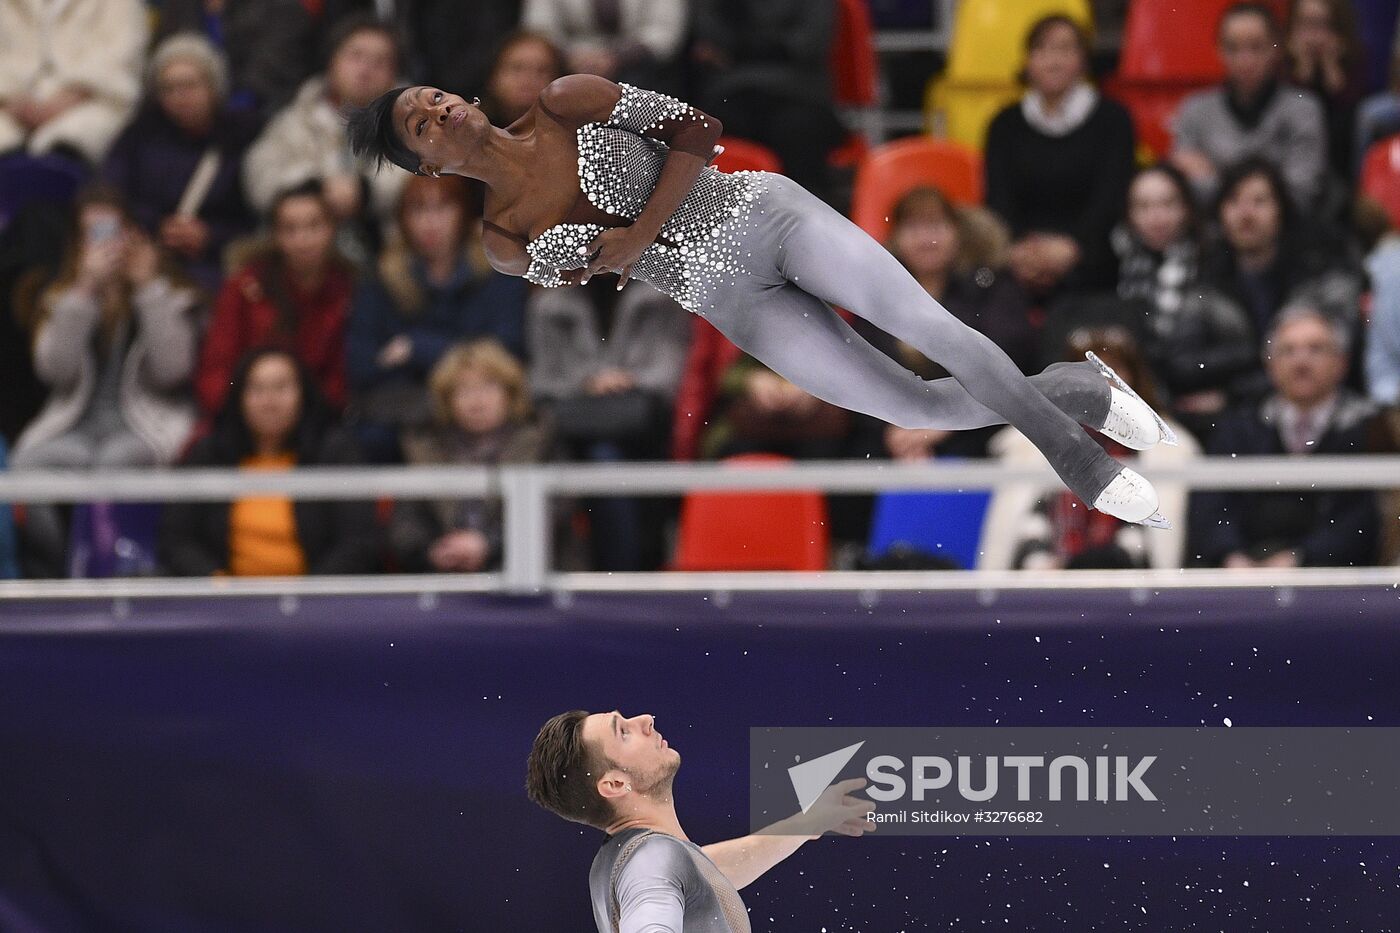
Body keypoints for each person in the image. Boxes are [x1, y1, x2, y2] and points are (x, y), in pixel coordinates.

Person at [348, 74, 1180, 526]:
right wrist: (634, 252)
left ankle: (1079, 461)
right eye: (422, 125)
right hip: (723, 297)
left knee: (931, 326)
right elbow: (601, 276)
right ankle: (1073, 388)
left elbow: (700, 131)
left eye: (434, 96)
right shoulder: (505, 244)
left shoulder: (567, 100)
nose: (440, 109)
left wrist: (638, 235)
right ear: (430, 169)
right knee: (916, 406)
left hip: (762, 213)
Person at [525, 708, 876, 933]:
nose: (645, 720)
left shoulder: (633, 858)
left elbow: (708, 873)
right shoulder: (651, 862)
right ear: (615, 784)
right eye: (624, 732)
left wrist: (806, 823)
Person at [11, 185, 203, 575]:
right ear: (78, 244)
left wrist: (148, 288)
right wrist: (84, 292)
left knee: (112, 462)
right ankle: (60, 563)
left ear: (133, 235)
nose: (105, 246)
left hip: (144, 426)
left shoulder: (170, 293)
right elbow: (55, 370)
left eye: (112, 232)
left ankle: (111, 568)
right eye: (93, 235)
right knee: (25, 466)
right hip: (75, 426)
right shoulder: (62, 297)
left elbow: (172, 371)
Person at [980, 328, 1200, 572]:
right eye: (1090, 373)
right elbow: (1028, 520)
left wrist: (1112, 560)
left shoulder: (1167, 451)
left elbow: (1158, 538)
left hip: (1132, 579)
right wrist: (1041, 560)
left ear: (1134, 378)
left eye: (1112, 371)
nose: (1101, 384)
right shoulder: (1028, 444)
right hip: (1046, 577)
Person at [347, 173, 527, 460]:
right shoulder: (380, 281)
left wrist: (416, 348)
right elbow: (362, 364)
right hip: (404, 416)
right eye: (418, 209)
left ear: (464, 213)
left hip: (487, 412)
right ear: (402, 218)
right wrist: (462, 353)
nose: (430, 221)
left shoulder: (498, 273)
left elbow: (507, 351)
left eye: (442, 208)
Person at [159, 347, 379, 576]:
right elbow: (176, 538)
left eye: (281, 388)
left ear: (303, 393)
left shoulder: (334, 453)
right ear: (239, 397)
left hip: (314, 595)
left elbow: (358, 542)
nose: (269, 401)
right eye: (257, 389)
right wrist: (218, 583)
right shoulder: (210, 455)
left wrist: (308, 590)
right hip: (224, 594)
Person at [1188, 305, 1380, 568]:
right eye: (1288, 350)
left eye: (1315, 349)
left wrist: (1300, 559)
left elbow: (1362, 521)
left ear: (1341, 362)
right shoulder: (1238, 428)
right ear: (1270, 364)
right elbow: (1210, 508)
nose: (1301, 362)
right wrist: (1231, 557)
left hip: (1335, 580)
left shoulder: (1369, 430)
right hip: (1240, 575)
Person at [984, 15, 1137, 296]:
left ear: (1083, 60)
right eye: (1041, 49)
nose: (1053, 61)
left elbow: (1112, 196)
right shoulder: (1004, 124)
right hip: (1020, 259)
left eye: (1065, 49)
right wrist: (1021, 251)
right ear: (1027, 61)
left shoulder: (1113, 119)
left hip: (1093, 256)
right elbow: (998, 198)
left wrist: (1073, 247)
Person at [1112, 163, 1263, 434]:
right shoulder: (1113, 268)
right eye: (1143, 206)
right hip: (1137, 413)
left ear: (1186, 209)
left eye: (1167, 204)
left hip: (1209, 415)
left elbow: (1252, 351)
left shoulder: (1218, 263)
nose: (1156, 217)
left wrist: (1227, 396)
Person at [242, 14, 406, 264]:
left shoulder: (410, 121)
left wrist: (365, 191)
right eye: (356, 56)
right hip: (303, 256)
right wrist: (316, 187)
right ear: (332, 61)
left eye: (380, 62)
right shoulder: (297, 118)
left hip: (385, 255)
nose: (366, 70)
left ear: (394, 74)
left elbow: (423, 178)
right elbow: (258, 177)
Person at [102, 34, 260, 291]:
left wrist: (210, 236)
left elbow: (256, 219)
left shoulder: (242, 137)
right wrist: (155, 225)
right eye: (169, 88)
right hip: (146, 250)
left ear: (213, 87)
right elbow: (108, 193)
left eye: (189, 85)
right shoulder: (141, 134)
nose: (180, 96)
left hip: (214, 262)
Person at [389, 341, 554, 572]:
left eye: (488, 388)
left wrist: (489, 545)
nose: (477, 402)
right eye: (464, 391)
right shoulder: (424, 448)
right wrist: (433, 550)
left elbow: (553, 517)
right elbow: (406, 524)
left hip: (526, 577)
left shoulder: (542, 442)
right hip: (441, 578)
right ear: (447, 400)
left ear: (510, 393)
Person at [198, 181, 354, 416]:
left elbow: (341, 378)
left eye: (314, 225)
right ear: (275, 235)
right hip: (245, 416)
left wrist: (305, 416)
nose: (303, 239)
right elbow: (216, 371)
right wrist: (241, 413)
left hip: (316, 419)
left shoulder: (347, 290)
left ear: (333, 229)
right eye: (290, 229)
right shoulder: (245, 287)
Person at [1171, 2, 1328, 210]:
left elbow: (1301, 192)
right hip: (1211, 229)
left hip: (1286, 228)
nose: (1245, 60)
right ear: (1219, 50)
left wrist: (1213, 177)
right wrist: (1267, 187)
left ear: (1276, 48)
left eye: (1256, 47)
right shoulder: (1195, 110)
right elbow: (1184, 193)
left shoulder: (1304, 109)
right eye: (1233, 48)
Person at [1198, 157, 1360, 343]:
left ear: (1280, 210)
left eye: (1259, 201)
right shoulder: (1204, 275)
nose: (1246, 214)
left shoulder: (1316, 271)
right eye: (1234, 201)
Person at [0, 0, 148, 164]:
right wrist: (11, 100)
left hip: (93, 99)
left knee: (69, 143)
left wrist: (71, 95)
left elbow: (121, 57)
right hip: (11, 103)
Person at [154, 0, 315, 121]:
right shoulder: (179, 6)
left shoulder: (281, 8)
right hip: (179, 123)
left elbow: (268, 77)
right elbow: (161, 61)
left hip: (256, 119)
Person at [1284, 0, 1365, 186]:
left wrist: (1332, 69)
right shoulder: (1283, 60)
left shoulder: (1352, 57)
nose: (1314, 35)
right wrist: (1302, 72)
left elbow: (1353, 112)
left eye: (1322, 24)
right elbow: (1286, 110)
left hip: (1339, 159)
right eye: (1306, 24)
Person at [523, 0, 686, 90]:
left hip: (637, 64)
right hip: (569, 60)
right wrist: (571, 55)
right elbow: (540, 27)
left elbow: (665, 31)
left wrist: (616, 58)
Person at [480, 31, 568, 127]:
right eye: (517, 68)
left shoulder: (572, 131)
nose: (528, 80)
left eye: (541, 71)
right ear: (494, 76)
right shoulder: (473, 127)